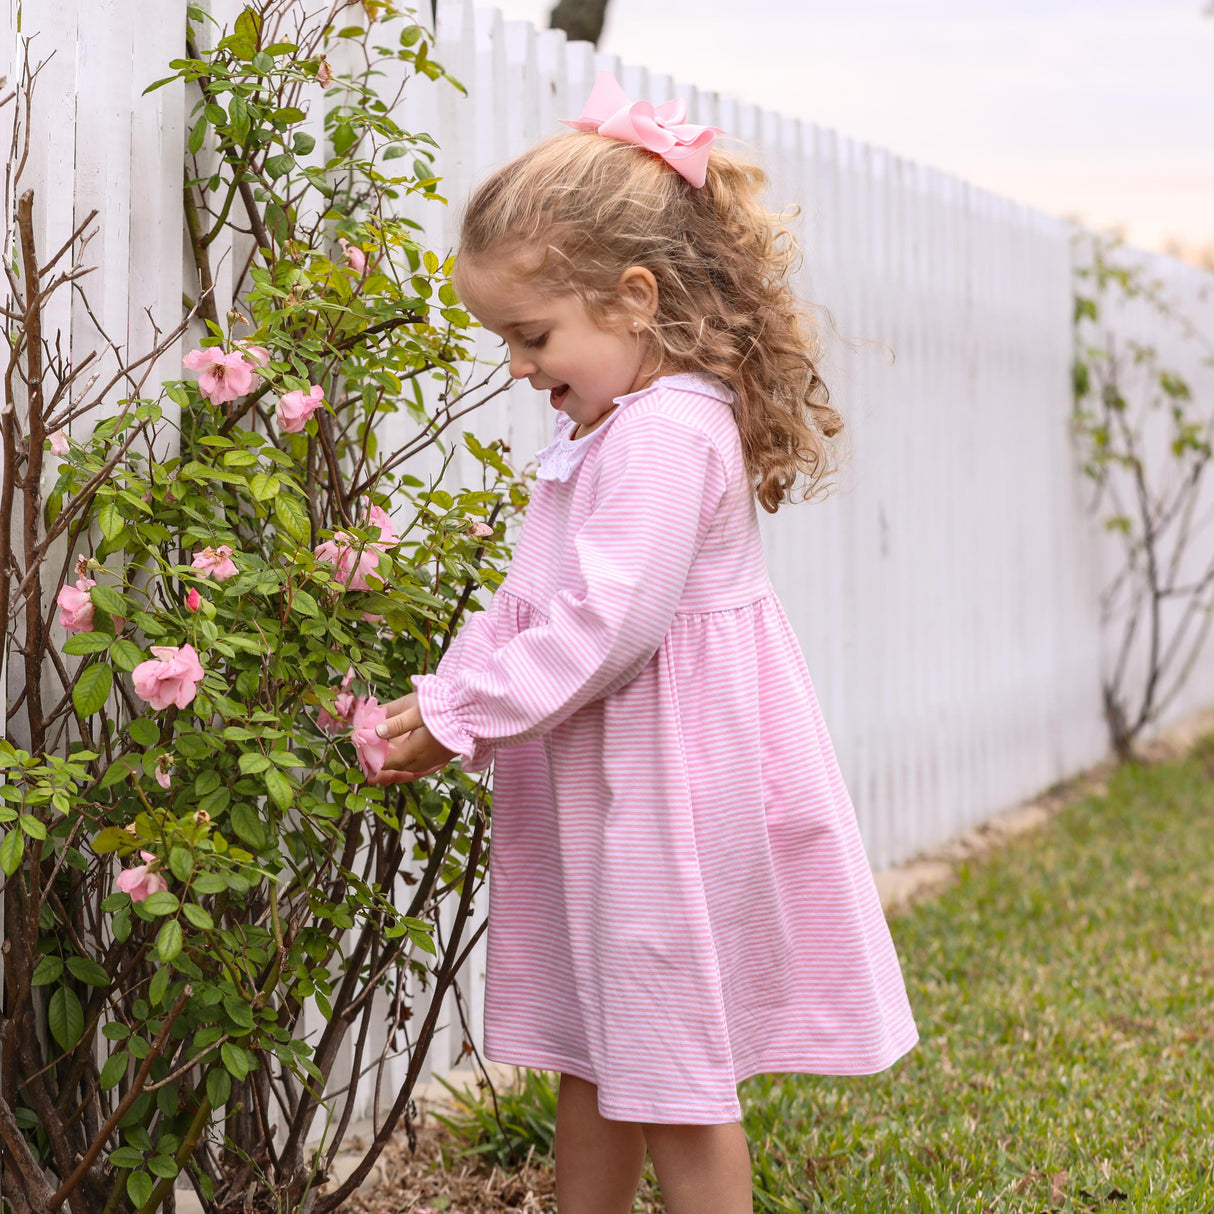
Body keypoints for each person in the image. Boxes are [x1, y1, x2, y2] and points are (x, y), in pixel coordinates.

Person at [370, 72, 917, 1214]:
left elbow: (607, 625)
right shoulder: (617, 425)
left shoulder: (669, 432)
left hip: (668, 790)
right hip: (612, 786)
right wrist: (449, 691)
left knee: (672, 1066)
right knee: (595, 1040)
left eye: (530, 335)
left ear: (631, 296)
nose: (518, 366)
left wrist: (463, 714)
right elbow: (540, 599)